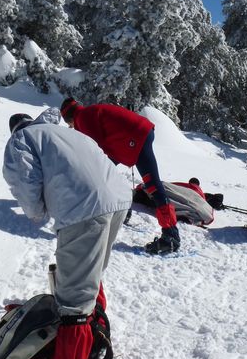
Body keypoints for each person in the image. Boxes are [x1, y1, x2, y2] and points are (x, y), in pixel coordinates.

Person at [2, 107, 131, 359]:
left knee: (73, 304)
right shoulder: (62, 131)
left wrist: (38, 211)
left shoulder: (22, 140)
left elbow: (27, 189)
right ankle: (95, 336)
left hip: (83, 208)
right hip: (118, 199)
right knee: (90, 275)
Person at [60, 97, 180, 254]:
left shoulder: (83, 118)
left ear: (69, 118)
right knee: (108, 172)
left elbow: (96, 150)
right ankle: (123, 208)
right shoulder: (90, 112)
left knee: (151, 184)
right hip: (141, 131)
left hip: (136, 136)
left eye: (69, 124)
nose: (71, 127)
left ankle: (170, 237)